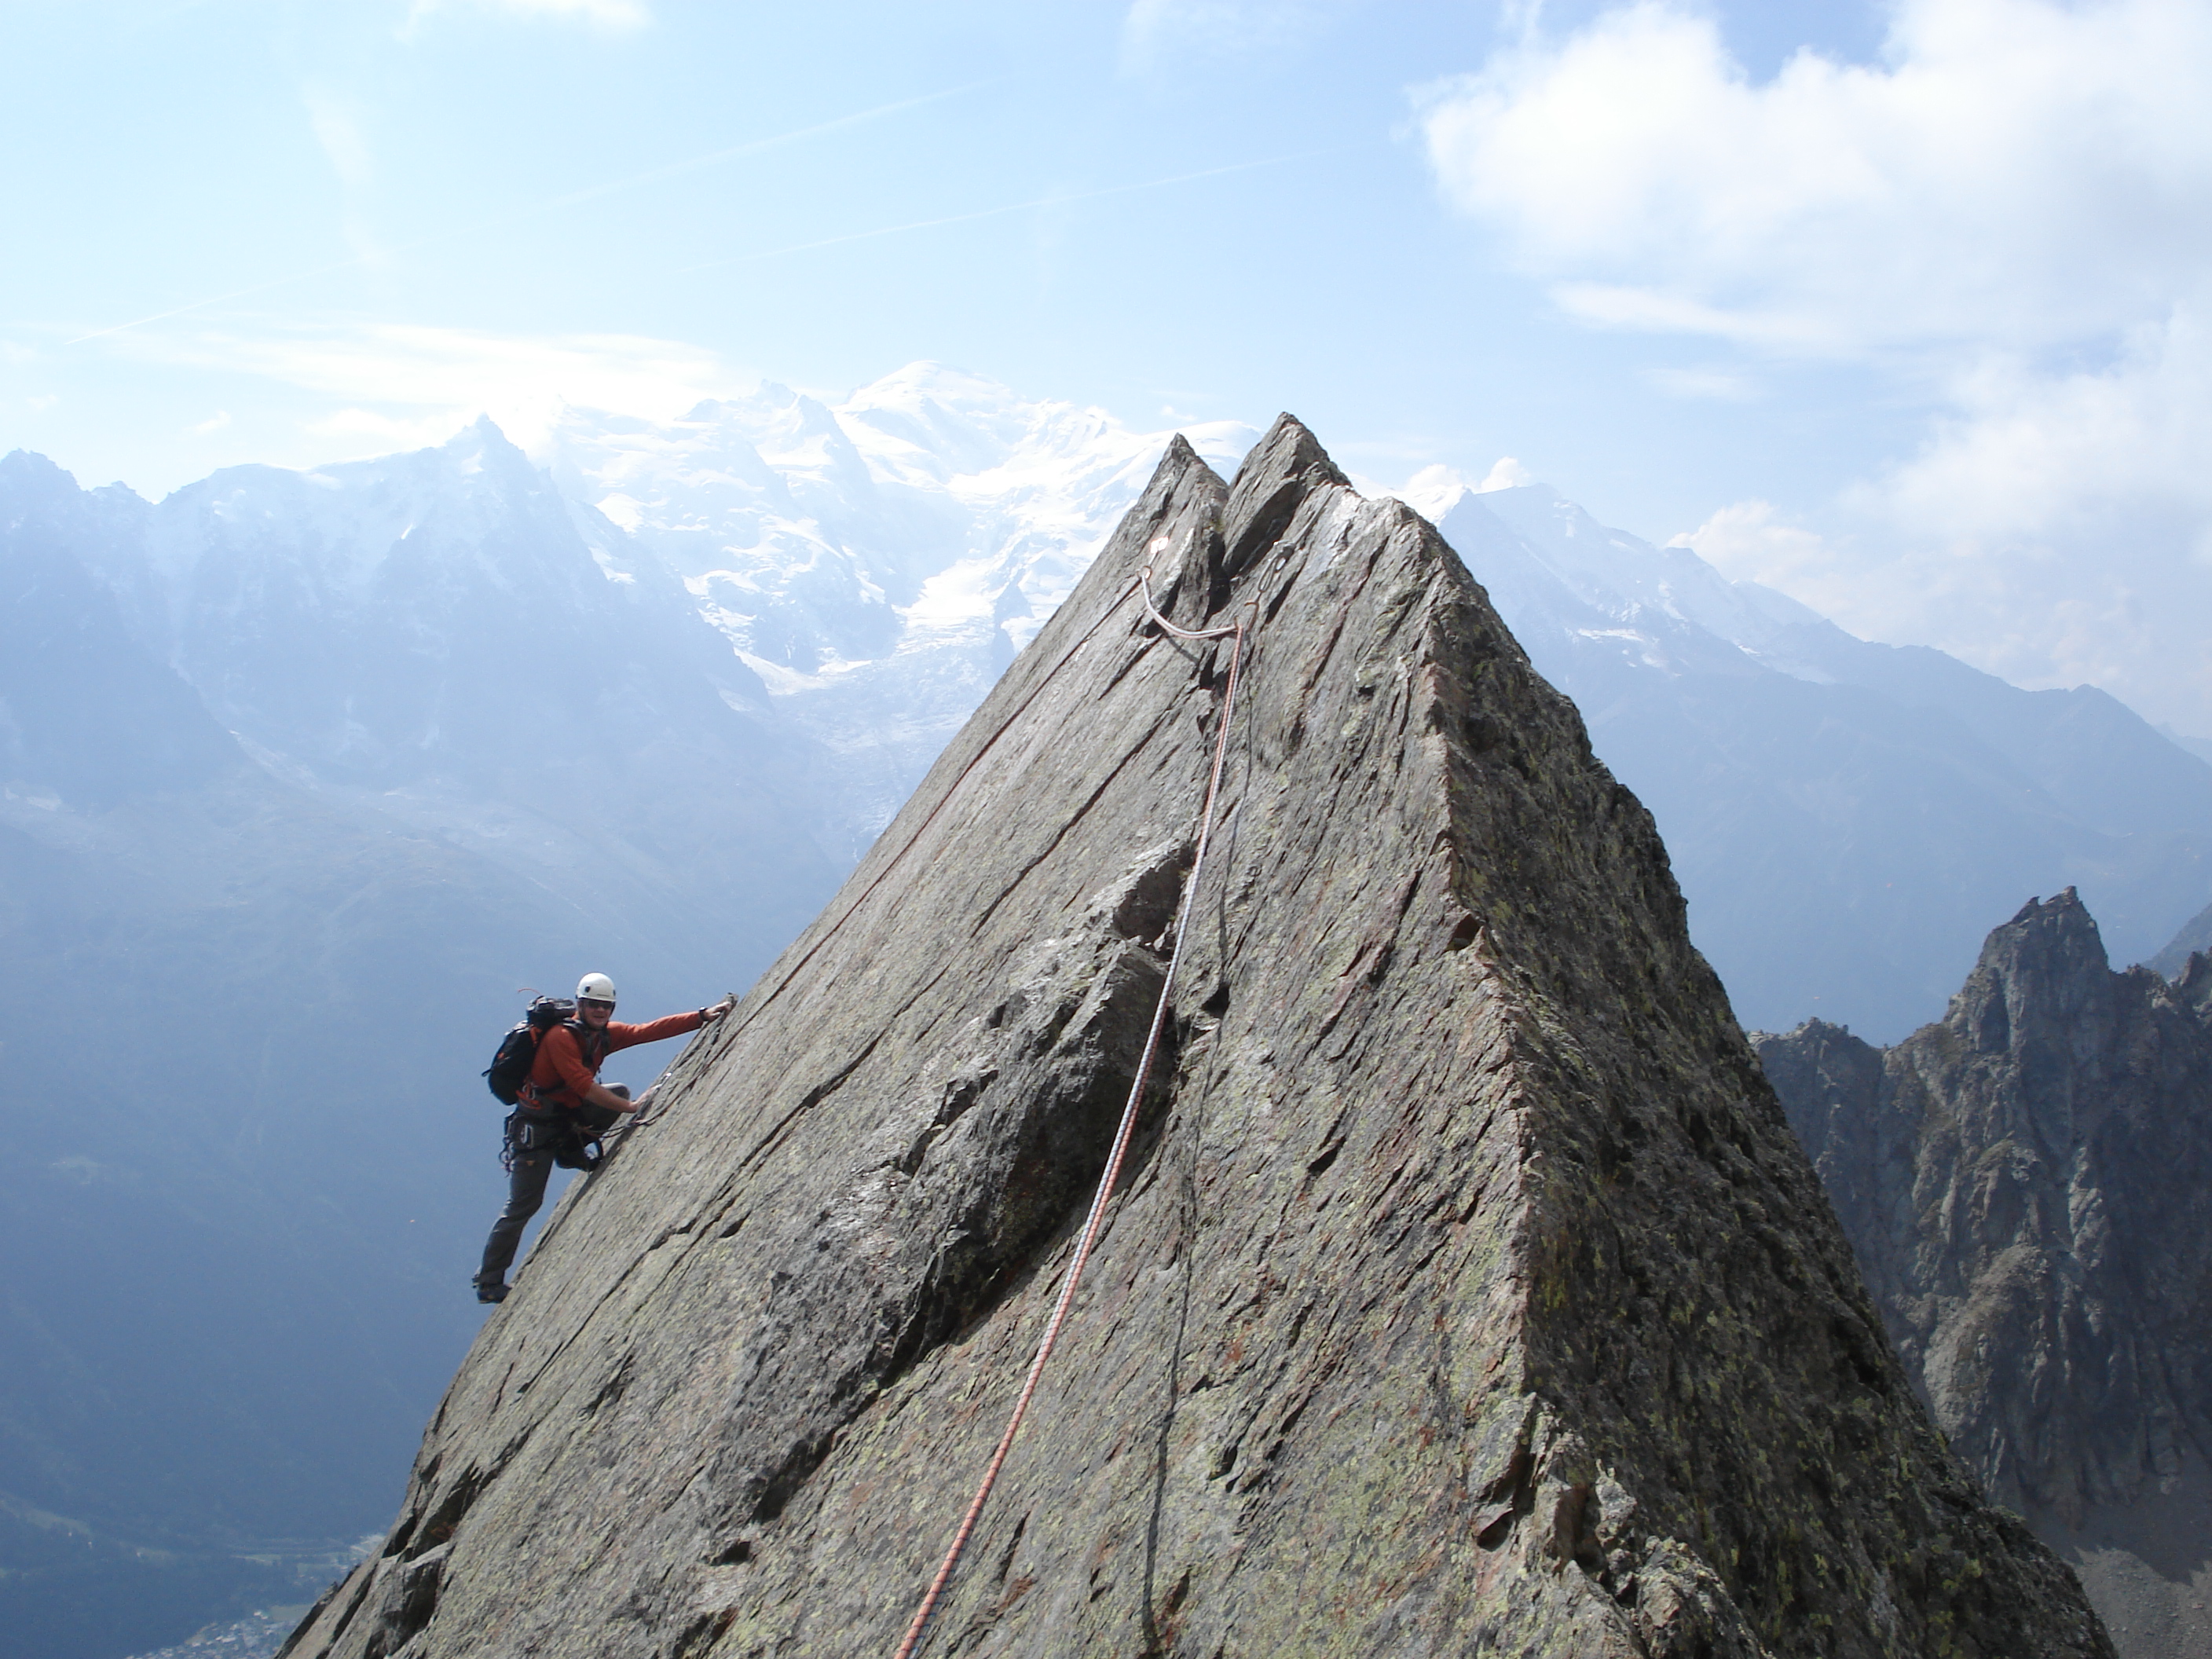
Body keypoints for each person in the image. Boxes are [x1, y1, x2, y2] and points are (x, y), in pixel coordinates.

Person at [474, 972, 734, 1303]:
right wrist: (632, 1108)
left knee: (618, 1091)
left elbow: (645, 1031)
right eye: (593, 1005)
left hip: (564, 1117)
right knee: (524, 1205)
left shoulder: (600, 1035)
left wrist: (699, 1017)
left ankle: (571, 1150)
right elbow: (584, 1086)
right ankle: (488, 1281)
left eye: (605, 1006)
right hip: (535, 1131)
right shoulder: (561, 1038)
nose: (600, 1011)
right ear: (579, 1005)